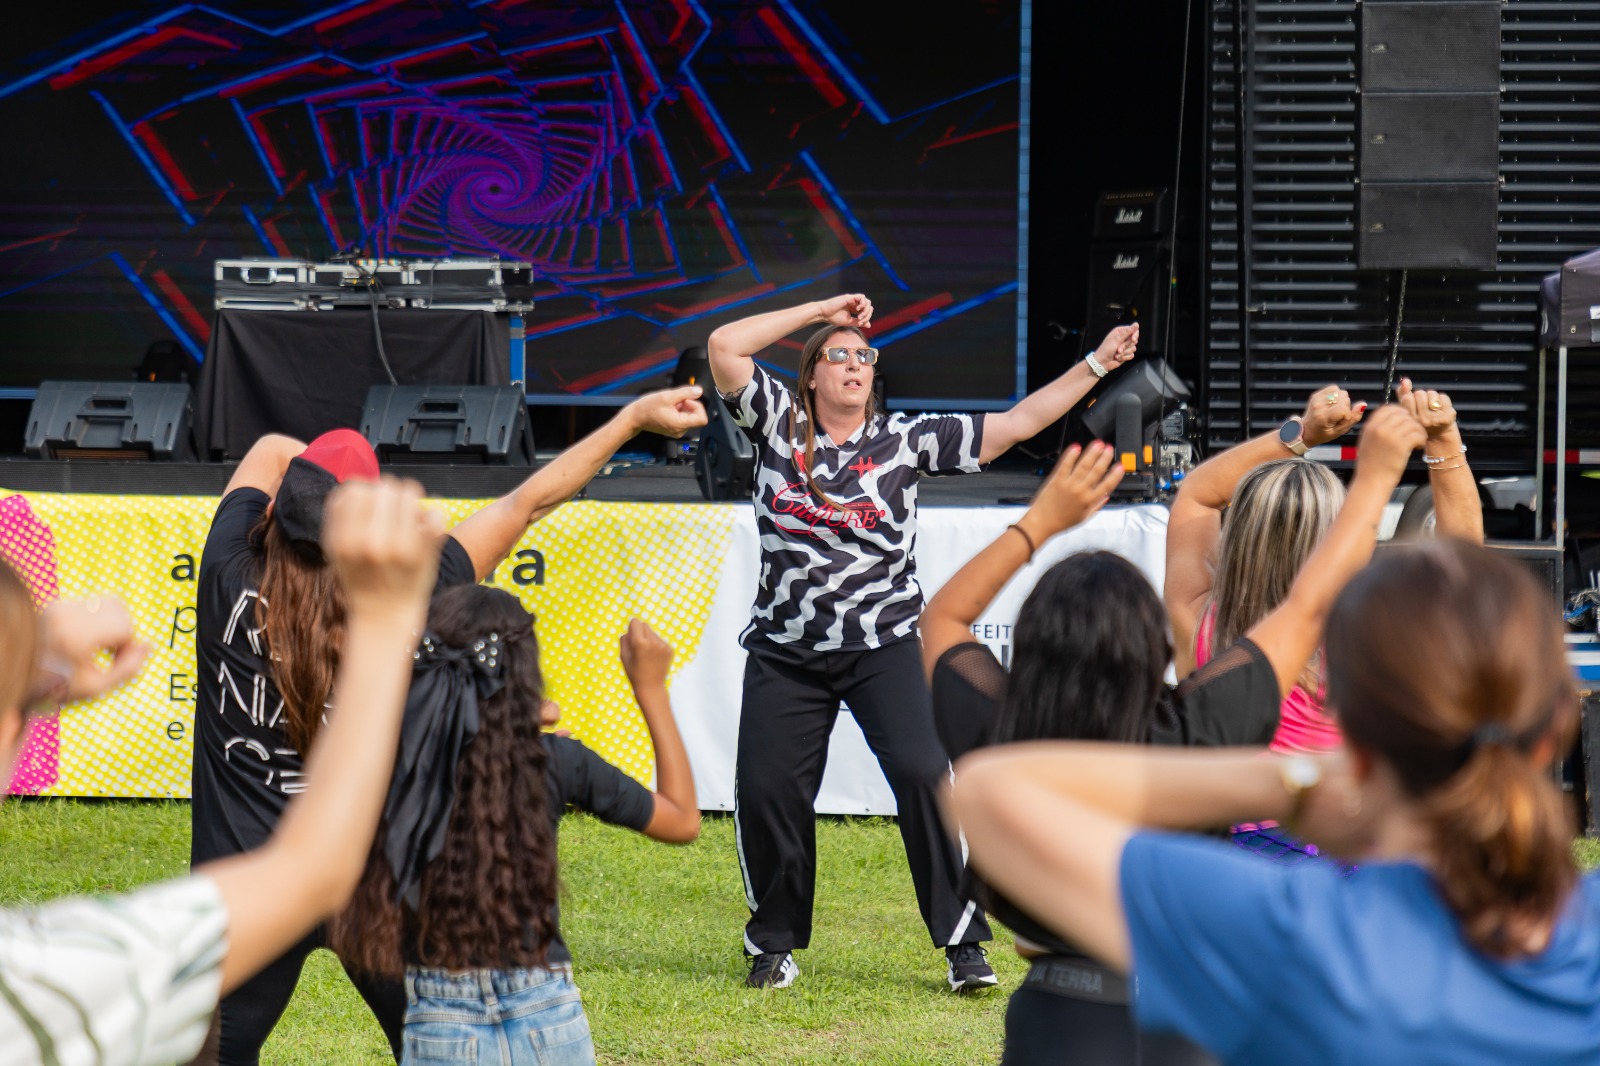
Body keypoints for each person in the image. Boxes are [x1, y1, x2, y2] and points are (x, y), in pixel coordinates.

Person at [192, 388, 705, 1063]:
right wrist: (632, 420)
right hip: (374, 887)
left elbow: (269, 449)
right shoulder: (415, 590)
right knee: (442, 1047)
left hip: (246, 891)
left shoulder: (228, 569)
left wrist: (309, 473)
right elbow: (530, 502)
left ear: (282, 513)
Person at [951, 530, 1595, 1066]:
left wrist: (1286, 781)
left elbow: (990, 790)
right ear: (1556, 726)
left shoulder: (1295, 934)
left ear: (1353, 736)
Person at [923, 404, 1427, 1065]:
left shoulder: (1001, 737)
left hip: (1058, 1013)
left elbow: (943, 621)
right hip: (1187, 1008)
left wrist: (1040, 523)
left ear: (1029, 644)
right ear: (1153, 646)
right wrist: (1377, 476)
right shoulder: (1198, 727)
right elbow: (1307, 604)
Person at [705, 292, 1140, 990]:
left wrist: (1095, 363)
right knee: (765, 791)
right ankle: (774, 944)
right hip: (786, 652)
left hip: (885, 644)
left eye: (864, 356)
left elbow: (1018, 423)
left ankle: (964, 943)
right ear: (810, 375)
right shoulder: (776, 425)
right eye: (837, 356)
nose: (854, 365)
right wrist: (822, 308)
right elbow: (726, 344)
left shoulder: (906, 439)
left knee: (926, 777)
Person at [1, 478, 445, 1066]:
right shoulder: (50, 976)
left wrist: (31, 670)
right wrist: (388, 620)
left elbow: (264, 451)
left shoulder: (226, 576)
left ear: (271, 525)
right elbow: (315, 871)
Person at [330, 592, 699, 1065]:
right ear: (523, 671)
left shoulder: (388, 766)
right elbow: (682, 819)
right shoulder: (556, 762)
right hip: (548, 1013)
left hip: (441, 1020)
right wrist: (650, 688)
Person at [1164, 379, 1483, 753]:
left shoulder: (1196, 621)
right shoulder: (1372, 646)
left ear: (1239, 534)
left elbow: (1197, 495)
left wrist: (1303, 435)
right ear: (1335, 541)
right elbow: (1465, 564)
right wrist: (1443, 439)